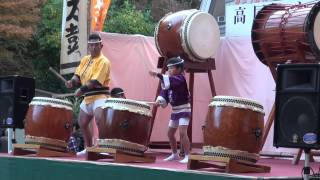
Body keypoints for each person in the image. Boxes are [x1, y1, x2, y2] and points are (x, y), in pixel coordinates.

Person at [65, 32, 111, 157]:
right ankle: (89, 147)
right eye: (91, 45)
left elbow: (95, 81)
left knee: (100, 119)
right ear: (88, 46)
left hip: (100, 96)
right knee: (82, 122)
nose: (94, 48)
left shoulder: (104, 61)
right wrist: (72, 82)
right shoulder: (85, 60)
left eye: (96, 45)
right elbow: (78, 75)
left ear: (101, 46)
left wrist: (81, 90)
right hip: (88, 97)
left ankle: (103, 147)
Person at [149, 57, 191, 164]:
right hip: (175, 110)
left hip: (184, 109)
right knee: (170, 133)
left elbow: (169, 82)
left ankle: (187, 155)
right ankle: (174, 154)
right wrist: (159, 102)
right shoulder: (169, 81)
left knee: (182, 132)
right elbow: (164, 95)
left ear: (179, 69)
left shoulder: (180, 79)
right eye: (168, 68)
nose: (169, 71)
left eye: (171, 68)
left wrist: (158, 75)